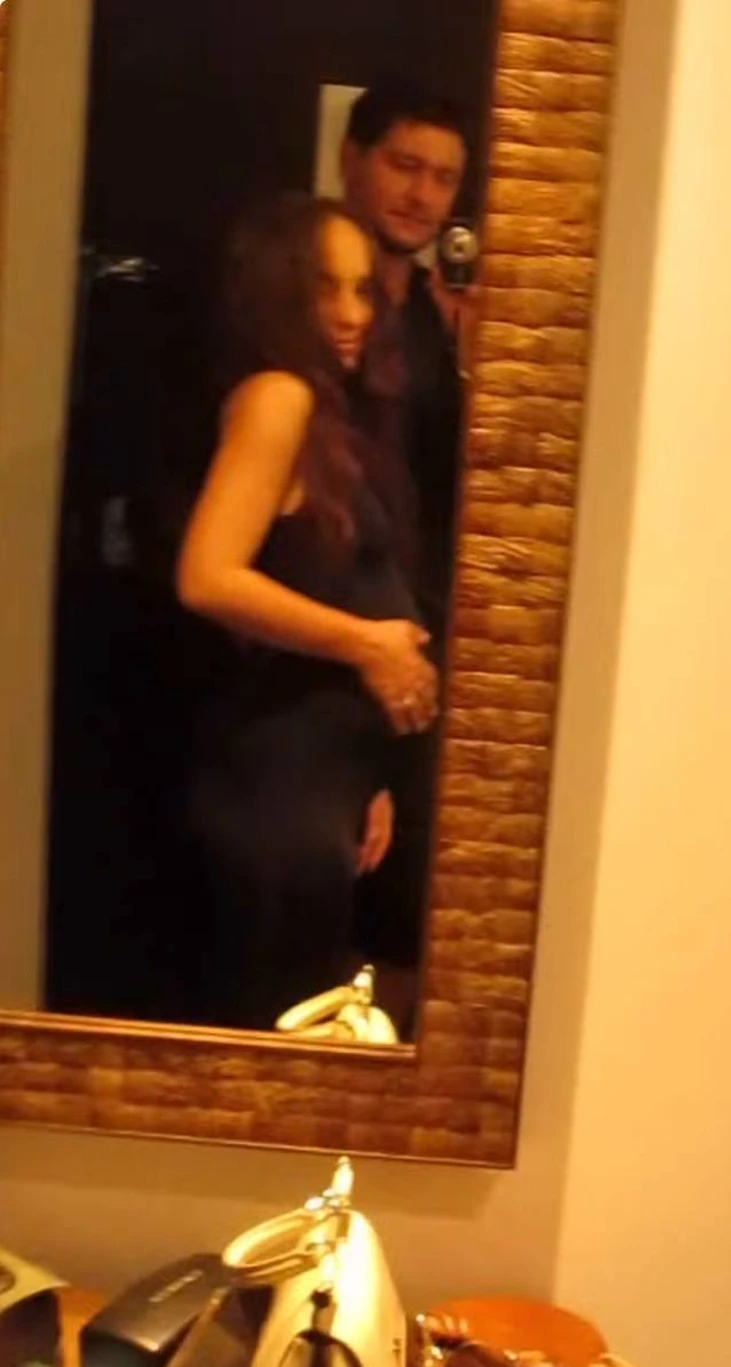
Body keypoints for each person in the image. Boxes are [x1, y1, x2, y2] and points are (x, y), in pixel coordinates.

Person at [177, 194, 438, 1031]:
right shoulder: (278, 396)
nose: (353, 313)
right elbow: (207, 576)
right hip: (274, 792)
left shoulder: (332, 412)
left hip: (322, 787)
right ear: (277, 290)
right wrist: (368, 646)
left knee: (303, 1024)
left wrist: (368, 774)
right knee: (278, 1041)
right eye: (326, 288)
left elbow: (330, 578)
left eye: (364, 289)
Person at [340, 82, 472, 996]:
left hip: (416, 625)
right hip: (324, 628)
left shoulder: (431, 315)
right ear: (352, 157)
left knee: (409, 883)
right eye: (403, 165)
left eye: (443, 178)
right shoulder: (312, 300)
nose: (422, 194)